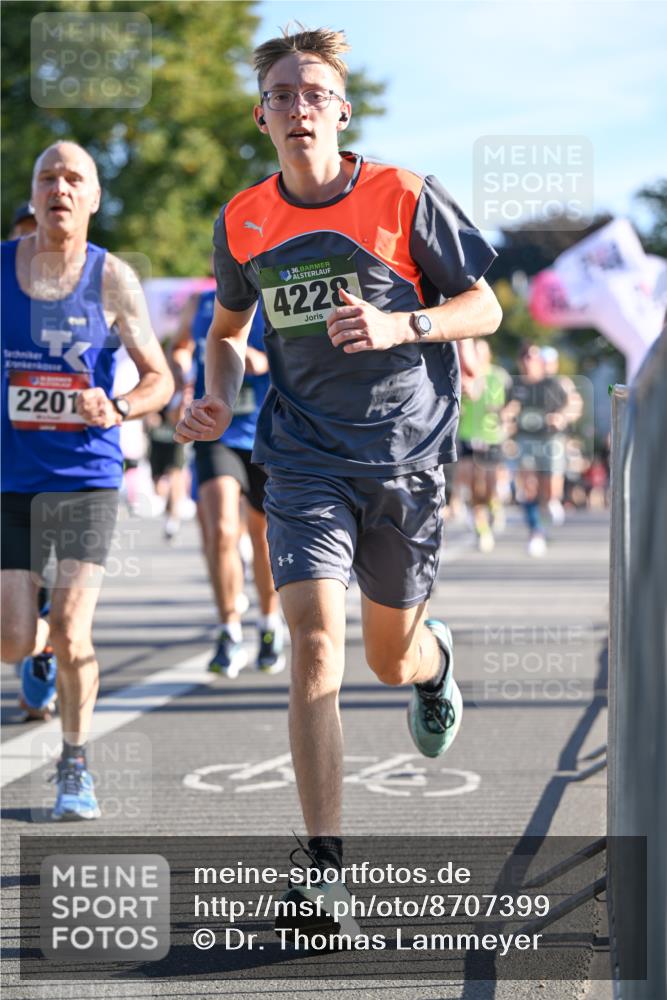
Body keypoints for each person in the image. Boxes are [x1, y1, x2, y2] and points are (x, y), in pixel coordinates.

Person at [175, 26, 501, 930]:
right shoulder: (244, 219)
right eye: (281, 94)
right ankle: (323, 872)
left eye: (313, 91)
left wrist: (404, 328)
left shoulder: (402, 195)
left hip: (406, 456)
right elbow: (227, 333)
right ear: (262, 116)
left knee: (386, 659)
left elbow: (485, 303)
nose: (298, 106)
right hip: (303, 456)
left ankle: (435, 665)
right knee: (314, 645)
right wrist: (215, 397)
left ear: (341, 108)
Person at [1, 141, 174, 819]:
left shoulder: (113, 280)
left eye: (75, 178)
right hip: (11, 478)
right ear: (34, 193)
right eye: (48, 176)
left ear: (94, 198)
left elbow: (160, 379)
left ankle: (74, 764)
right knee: (16, 640)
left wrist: (121, 404)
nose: (60, 187)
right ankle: (33, 646)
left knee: (74, 631)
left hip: (86, 476)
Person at [173, 290, 284, 675]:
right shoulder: (199, 303)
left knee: (263, 536)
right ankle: (228, 631)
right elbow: (181, 347)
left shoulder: (274, 291)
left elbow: (307, 357)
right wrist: (181, 378)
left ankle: (270, 623)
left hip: (266, 433)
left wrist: (264, 361)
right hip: (215, 431)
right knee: (220, 530)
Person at [505, 343, 572, 556]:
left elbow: (573, 405)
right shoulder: (516, 385)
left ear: (540, 361)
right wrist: (505, 418)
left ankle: (551, 505)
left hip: (551, 439)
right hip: (526, 439)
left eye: (532, 357)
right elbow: (509, 409)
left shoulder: (555, 383)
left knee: (551, 491)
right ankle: (536, 532)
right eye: (524, 357)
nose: (527, 361)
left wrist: (562, 416)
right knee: (529, 486)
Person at [455, 339, 512, 551]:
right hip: (469, 435)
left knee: (489, 485)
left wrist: (505, 416)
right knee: (472, 484)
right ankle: (482, 529)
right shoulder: (463, 376)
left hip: (492, 437)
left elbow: (507, 404)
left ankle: (495, 504)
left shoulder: (497, 376)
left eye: (480, 353)